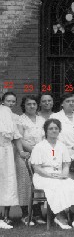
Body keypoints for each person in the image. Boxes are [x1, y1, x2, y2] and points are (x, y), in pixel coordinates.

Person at [29, 119, 74, 231]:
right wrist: (50, 175)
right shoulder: (39, 146)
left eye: (56, 128)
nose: (54, 130)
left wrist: (64, 174)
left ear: (59, 130)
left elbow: (66, 164)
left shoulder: (62, 146)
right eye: (51, 128)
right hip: (42, 176)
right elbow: (36, 168)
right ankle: (60, 216)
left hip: (58, 175)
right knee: (57, 186)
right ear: (46, 131)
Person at [14, 95, 45, 225]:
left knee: (38, 182)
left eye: (34, 104)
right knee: (25, 183)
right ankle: (26, 214)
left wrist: (42, 151)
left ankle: (37, 214)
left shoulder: (42, 119)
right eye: (28, 104)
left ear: (37, 105)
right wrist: (33, 150)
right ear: (24, 106)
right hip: (25, 154)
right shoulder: (20, 120)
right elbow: (20, 138)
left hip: (40, 155)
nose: (32, 106)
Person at [50, 92, 74, 166]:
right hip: (61, 154)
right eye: (68, 101)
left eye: (73, 101)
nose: (71, 103)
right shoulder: (55, 117)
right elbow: (51, 137)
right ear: (62, 104)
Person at [0, 98, 22, 229]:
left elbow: (15, 135)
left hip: (6, 152)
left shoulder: (6, 111)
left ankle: (5, 217)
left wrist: (21, 151)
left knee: (7, 182)